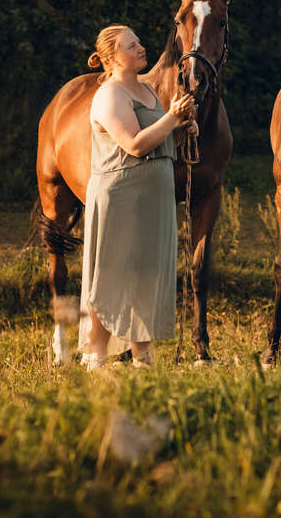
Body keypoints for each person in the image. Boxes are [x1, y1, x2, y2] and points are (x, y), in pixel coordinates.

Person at [78, 24, 196, 369]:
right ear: (112, 58)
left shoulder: (146, 92)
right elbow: (134, 144)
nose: (141, 48)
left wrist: (182, 128)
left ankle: (142, 355)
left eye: (139, 42)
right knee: (113, 273)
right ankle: (96, 357)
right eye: (132, 46)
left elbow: (158, 139)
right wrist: (172, 118)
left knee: (147, 273)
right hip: (121, 198)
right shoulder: (110, 95)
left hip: (153, 198)